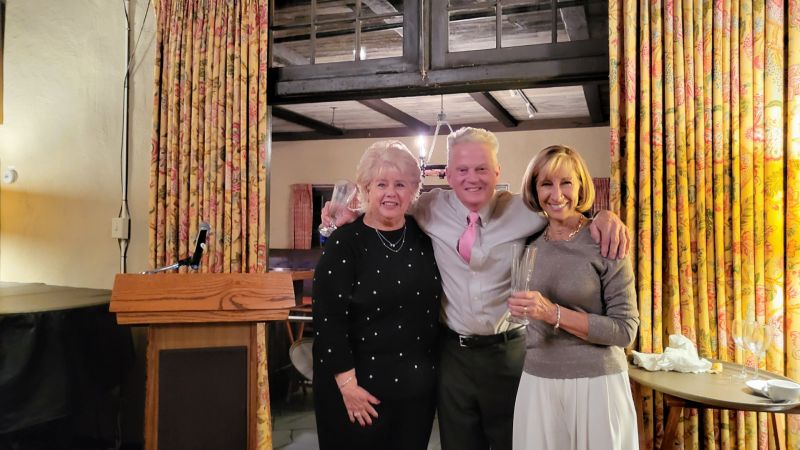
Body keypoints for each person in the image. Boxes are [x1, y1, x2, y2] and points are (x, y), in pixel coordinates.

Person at [324, 127, 629, 450]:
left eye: (482, 168)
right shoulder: (428, 207)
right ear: (448, 174)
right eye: (462, 170)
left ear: (497, 172)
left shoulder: (527, 212)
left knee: (517, 442)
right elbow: (388, 199)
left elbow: (564, 210)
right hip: (452, 357)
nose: (472, 178)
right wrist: (352, 213)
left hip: (510, 354)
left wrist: (603, 216)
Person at [311, 140, 442, 450]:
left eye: (400, 184)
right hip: (356, 394)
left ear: (414, 190)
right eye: (381, 184)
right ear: (366, 188)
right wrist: (348, 387)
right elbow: (328, 322)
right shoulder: (345, 243)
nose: (390, 193)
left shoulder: (426, 238)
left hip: (415, 397)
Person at [507, 145, 639, 449]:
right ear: (535, 189)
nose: (557, 195)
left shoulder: (605, 240)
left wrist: (552, 313)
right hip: (537, 380)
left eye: (566, 182)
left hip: (597, 382)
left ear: (580, 186)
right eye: (546, 184)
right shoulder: (529, 243)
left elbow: (625, 330)